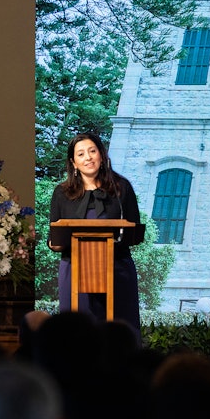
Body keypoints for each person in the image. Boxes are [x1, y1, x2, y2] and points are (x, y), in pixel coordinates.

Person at [48, 133, 144, 338]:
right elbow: (53, 237)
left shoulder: (122, 187)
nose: (88, 157)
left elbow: (134, 230)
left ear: (101, 155)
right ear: (73, 162)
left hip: (116, 268)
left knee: (119, 334)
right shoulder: (61, 193)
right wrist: (55, 242)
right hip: (75, 270)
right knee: (76, 334)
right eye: (81, 154)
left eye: (92, 151)